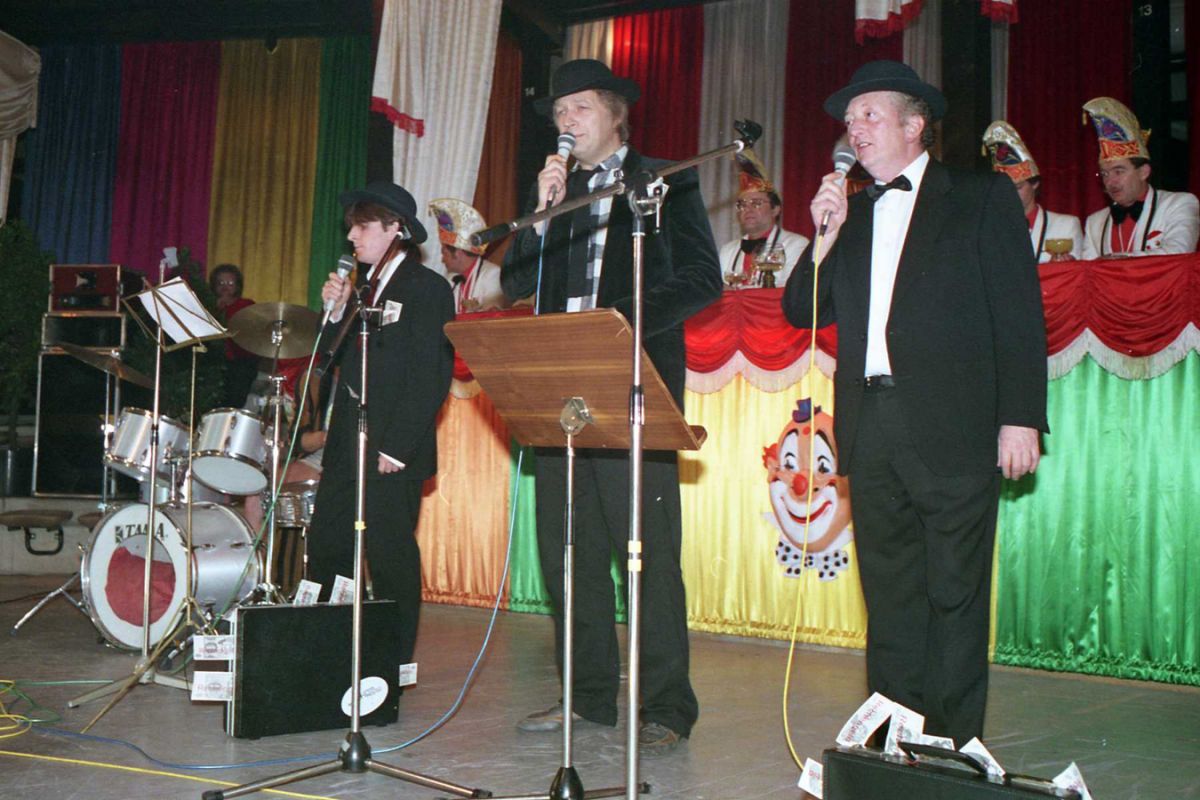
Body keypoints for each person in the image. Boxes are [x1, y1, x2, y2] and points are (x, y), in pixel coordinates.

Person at [782, 60, 1048, 746]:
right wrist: (824, 233)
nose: (855, 129)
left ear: (914, 124)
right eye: (850, 120)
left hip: (954, 423)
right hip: (870, 424)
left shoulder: (979, 196)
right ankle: (892, 744)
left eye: (869, 114)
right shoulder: (853, 213)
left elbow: (1019, 312)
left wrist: (1021, 417)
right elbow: (799, 309)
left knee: (954, 593)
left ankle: (953, 751)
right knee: (891, 595)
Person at [500, 58, 722, 754]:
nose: (565, 122)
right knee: (568, 551)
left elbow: (702, 277)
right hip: (558, 389)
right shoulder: (555, 191)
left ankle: (667, 705)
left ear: (616, 114)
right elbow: (512, 281)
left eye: (580, 108)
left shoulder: (664, 179)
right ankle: (588, 696)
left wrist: (622, 323)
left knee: (645, 552)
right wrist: (539, 216)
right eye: (559, 112)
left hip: (632, 381)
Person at [308, 180, 455, 676]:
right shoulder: (365, 289)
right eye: (351, 226)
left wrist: (397, 447)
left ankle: (391, 664)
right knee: (327, 544)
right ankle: (329, 653)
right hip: (347, 444)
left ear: (396, 229)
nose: (351, 236)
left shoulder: (427, 288)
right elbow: (331, 360)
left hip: (391, 448)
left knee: (390, 555)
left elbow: (430, 374)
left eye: (363, 226)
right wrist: (335, 312)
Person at [1080, 97, 1199, 259]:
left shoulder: (1178, 204)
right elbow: (1089, 269)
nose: (1110, 182)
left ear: (1144, 172)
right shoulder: (1095, 221)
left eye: (1119, 171)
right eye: (1105, 174)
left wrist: (1119, 260)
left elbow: (1179, 253)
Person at [981, 120, 1084, 263]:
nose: (1010, 195)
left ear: (1035, 184)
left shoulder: (1065, 226)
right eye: (1004, 189)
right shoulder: (989, 230)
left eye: (1018, 188)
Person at [717, 148, 809, 288]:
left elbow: (789, 290)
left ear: (775, 209)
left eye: (756, 203)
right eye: (742, 205)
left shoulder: (795, 244)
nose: (748, 209)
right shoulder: (728, 250)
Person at [428, 198, 510, 312]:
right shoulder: (451, 278)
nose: (442, 259)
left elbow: (494, 312)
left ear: (458, 253)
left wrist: (476, 311)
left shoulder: (492, 274)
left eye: (445, 253)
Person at [209, 263, 259, 408]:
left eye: (230, 283)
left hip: (241, 361)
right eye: (221, 283)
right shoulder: (209, 306)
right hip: (215, 361)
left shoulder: (246, 305)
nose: (225, 287)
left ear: (237, 286)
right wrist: (216, 310)